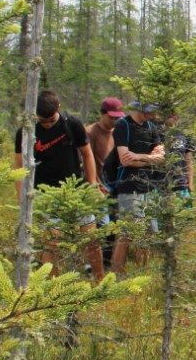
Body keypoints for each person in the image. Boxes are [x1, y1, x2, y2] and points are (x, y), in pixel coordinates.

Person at [13, 90, 104, 279]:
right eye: (42, 121)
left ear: (59, 108)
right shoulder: (26, 132)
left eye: (51, 120)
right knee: (52, 242)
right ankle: (54, 289)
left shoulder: (72, 124)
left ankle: (100, 280)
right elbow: (18, 168)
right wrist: (23, 200)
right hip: (44, 195)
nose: (46, 124)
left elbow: (87, 154)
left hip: (75, 191)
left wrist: (92, 184)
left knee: (91, 238)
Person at [109, 100, 166, 273]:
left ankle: (144, 274)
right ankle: (116, 274)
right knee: (128, 233)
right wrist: (150, 159)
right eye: (150, 111)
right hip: (128, 186)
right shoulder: (123, 125)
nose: (154, 114)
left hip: (148, 186)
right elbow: (125, 160)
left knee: (149, 233)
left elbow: (162, 157)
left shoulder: (151, 126)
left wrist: (142, 158)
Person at [87, 96, 125, 271]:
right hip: (97, 189)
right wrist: (94, 185)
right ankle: (93, 266)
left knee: (113, 229)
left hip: (115, 188)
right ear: (102, 114)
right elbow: (87, 162)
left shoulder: (118, 134)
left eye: (118, 117)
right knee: (100, 227)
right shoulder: (90, 133)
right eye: (111, 117)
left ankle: (107, 264)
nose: (115, 120)